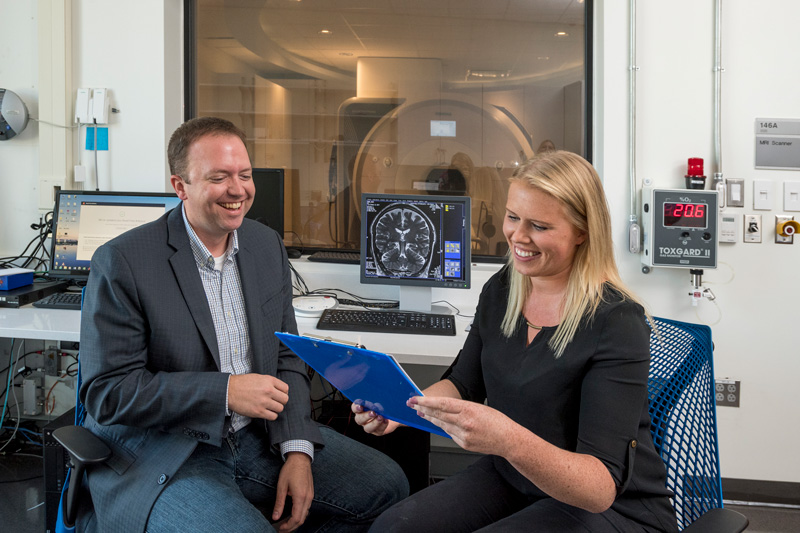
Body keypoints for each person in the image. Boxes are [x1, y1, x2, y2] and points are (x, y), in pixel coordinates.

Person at [79, 117, 408, 533]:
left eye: (245, 175)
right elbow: (107, 393)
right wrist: (226, 392)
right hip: (169, 450)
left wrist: (297, 449)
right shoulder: (124, 262)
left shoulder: (264, 244)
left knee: (386, 486)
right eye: (219, 177)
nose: (238, 190)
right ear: (180, 186)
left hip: (256, 438)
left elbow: (287, 354)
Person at [354, 150, 678, 532]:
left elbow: (598, 489)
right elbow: (463, 384)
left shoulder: (616, 322)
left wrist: (506, 438)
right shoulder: (503, 290)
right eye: (512, 217)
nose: (518, 237)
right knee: (393, 528)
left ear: (582, 231)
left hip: (608, 509)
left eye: (539, 226)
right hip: (515, 476)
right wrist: (400, 411)